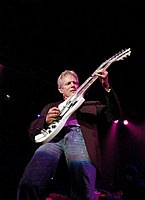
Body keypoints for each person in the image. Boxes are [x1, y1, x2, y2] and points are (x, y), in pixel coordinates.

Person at [17, 68, 121, 200]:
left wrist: (107, 87)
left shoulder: (90, 105)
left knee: (83, 185)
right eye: (68, 83)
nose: (73, 85)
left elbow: (115, 115)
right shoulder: (51, 106)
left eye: (75, 83)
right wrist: (45, 120)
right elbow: (32, 132)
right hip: (54, 139)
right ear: (60, 89)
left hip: (78, 135)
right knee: (29, 181)